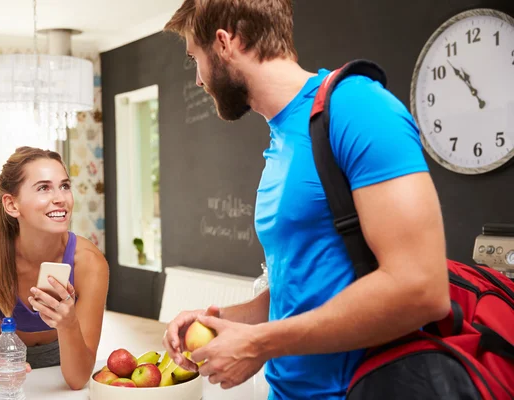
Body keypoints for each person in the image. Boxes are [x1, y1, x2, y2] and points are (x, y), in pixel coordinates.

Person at [162, 1, 451, 399]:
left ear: (225, 43)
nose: (198, 79)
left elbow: (422, 288)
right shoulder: (283, 136)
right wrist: (227, 321)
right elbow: (301, 287)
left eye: (195, 58)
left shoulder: (359, 107)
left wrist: (259, 343)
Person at [0, 146, 109, 393]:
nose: (61, 198)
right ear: (12, 205)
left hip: (60, 370)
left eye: (65, 186)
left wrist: (67, 324)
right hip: (3, 376)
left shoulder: (89, 263)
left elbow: (78, 379)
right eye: (44, 188)